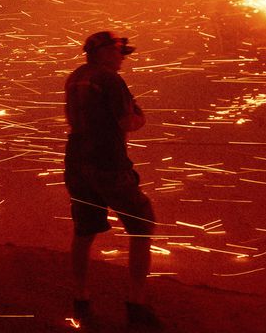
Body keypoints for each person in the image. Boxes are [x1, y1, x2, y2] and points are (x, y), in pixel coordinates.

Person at [64, 31, 160, 330]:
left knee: (84, 230)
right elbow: (127, 121)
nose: (122, 58)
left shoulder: (75, 77)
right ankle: (136, 304)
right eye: (120, 51)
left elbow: (72, 119)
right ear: (104, 51)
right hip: (108, 164)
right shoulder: (109, 79)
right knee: (142, 225)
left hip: (77, 163)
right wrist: (137, 118)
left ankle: (80, 299)